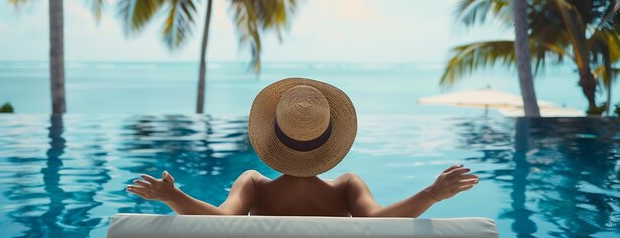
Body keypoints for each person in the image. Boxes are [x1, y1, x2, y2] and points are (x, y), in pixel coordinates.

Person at [127, 78, 479, 217]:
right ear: (331, 141)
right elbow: (379, 224)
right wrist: (431, 194)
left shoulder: (253, 185)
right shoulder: (347, 186)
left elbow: (219, 223)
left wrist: (173, 197)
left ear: (271, 139)